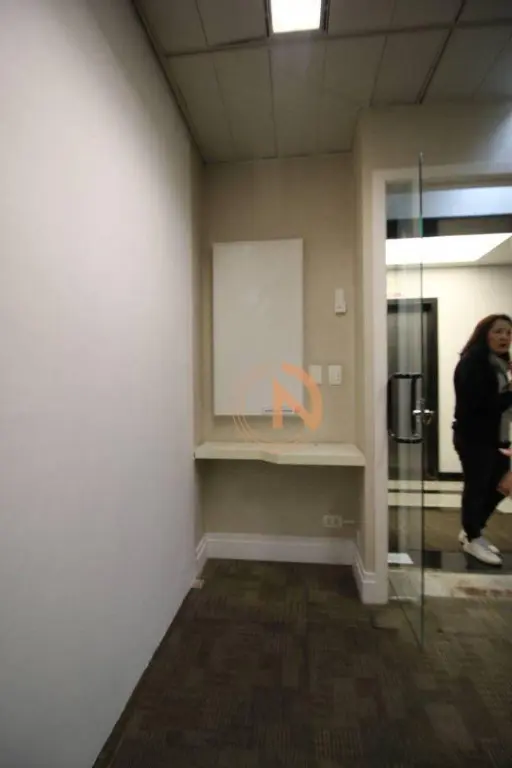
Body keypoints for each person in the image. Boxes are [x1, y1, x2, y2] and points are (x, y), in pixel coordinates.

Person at [453, 314, 512, 565]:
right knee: (477, 487)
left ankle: (472, 529)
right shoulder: (473, 363)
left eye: (508, 333)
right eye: (498, 331)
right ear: (484, 334)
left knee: (502, 486)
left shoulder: (499, 364)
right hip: (475, 438)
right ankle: (472, 537)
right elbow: (480, 405)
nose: (504, 337)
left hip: (497, 437)